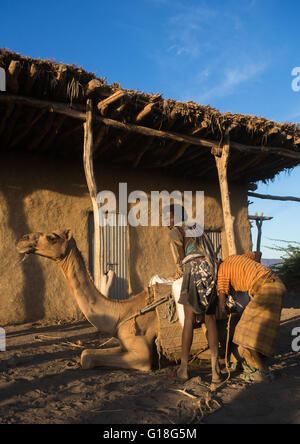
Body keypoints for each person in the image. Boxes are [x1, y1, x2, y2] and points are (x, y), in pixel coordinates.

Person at [165, 204, 221, 383]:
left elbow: (183, 259)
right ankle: (216, 371)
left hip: (194, 271)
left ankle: (183, 369)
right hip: (210, 272)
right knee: (210, 318)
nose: (166, 221)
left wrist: (182, 267)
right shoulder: (198, 228)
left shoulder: (176, 230)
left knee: (189, 319)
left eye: (168, 217)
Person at [217, 252, 286, 382]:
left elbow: (222, 303)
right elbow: (258, 254)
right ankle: (248, 363)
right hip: (277, 284)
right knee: (262, 330)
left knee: (245, 333)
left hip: (265, 289)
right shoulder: (234, 257)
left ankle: (262, 372)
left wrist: (226, 309)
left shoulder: (221, 271)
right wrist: (252, 272)